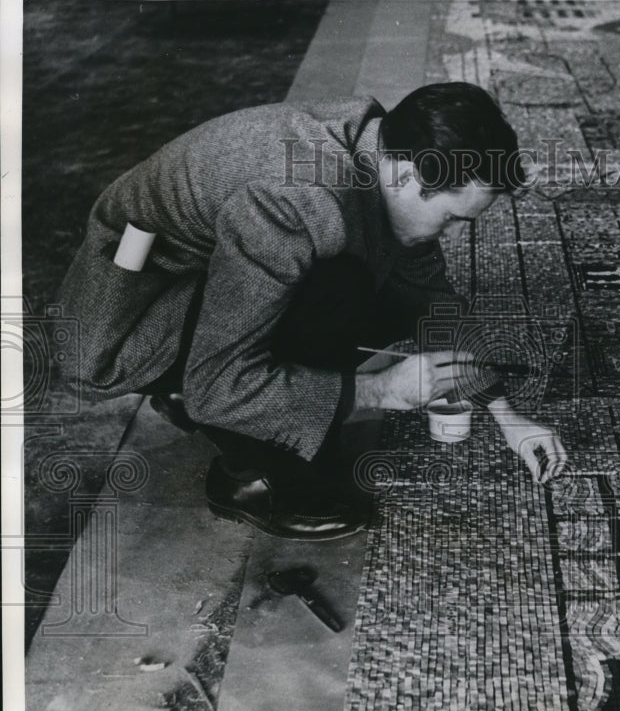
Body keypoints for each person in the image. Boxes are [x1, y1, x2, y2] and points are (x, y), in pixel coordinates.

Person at [58, 82, 568, 541]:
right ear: (413, 176)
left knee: (375, 288)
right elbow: (220, 386)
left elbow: (431, 297)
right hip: (135, 310)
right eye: (454, 219)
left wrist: (507, 415)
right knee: (338, 293)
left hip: (223, 257)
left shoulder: (384, 148)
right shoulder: (297, 200)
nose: (455, 237)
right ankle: (248, 479)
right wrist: (381, 390)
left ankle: (203, 394)